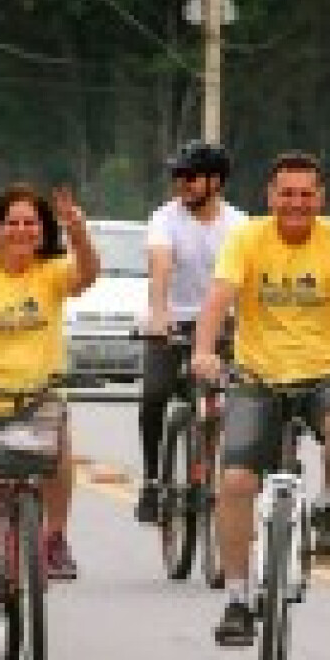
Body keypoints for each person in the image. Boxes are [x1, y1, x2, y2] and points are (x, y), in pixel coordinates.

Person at [191, 152, 330, 646]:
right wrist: (204, 351)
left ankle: (328, 504)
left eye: (306, 194)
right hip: (259, 376)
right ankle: (236, 598)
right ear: (270, 197)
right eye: (286, 194)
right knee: (235, 481)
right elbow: (217, 300)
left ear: (320, 198)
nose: (296, 203)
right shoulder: (247, 239)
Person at [0, 184, 99, 629]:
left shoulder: (50, 272)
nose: (22, 231)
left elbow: (87, 275)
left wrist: (78, 232)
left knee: (60, 442)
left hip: (37, 396)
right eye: (13, 222)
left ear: (42, 230)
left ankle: (54, 537)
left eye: (31, 223)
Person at [136, 141, 246, 523]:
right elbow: (161, 266)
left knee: (241, 400)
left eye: (190, 176)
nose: (180, 182)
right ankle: (152, 480)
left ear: (216, 182)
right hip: (174, 324)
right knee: (154, 393)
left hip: (224, 326)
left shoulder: (238, 224)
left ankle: (221, 474)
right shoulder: (164, 218)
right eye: (176, 175)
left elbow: (245, 283)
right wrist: (159, 313)